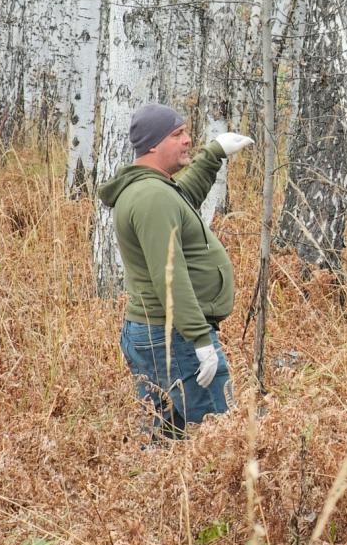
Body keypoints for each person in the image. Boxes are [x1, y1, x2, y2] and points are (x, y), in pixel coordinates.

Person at [98, 103, 254, 440]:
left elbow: (182, 198)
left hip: (156, 333)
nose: (187, 140)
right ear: (154, 144)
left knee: (163, 442)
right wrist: (200, 340)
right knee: (222, 439)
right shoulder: (152, 197)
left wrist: (215, 153)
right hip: (174, 339)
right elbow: (169, 276)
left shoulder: (152, 189)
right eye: (177, 134)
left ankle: (162, 492)